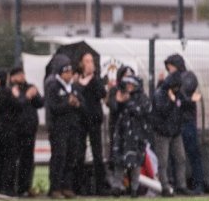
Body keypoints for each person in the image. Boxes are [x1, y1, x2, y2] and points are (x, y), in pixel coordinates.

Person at [0, 67, 43, 198]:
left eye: (23, 74)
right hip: (15, 130)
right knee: (10, 159)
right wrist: (26, 96)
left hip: (29, 129)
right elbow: (17, 104)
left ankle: (24, 187)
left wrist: (34, 94)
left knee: (28, 160)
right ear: (12, 77)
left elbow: (40, 103)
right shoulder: (9, 90)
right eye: (19, 75)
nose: (22, 77)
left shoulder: (29, 86)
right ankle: (6, 188)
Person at [162, 54, 204, 195]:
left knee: (193, 154)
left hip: (187, 122)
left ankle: (199, 184)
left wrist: (177, 96)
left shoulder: (189, 76)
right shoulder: (171, 79)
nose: (170, 70)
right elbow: (166, 94)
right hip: (175, 123)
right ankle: (178, 184)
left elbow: (180, 93)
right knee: (176, 156)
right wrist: (186, 99)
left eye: (171, 67)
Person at [107, 76, 151, 198]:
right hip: (122, 135)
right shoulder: (119, 94)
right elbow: (113, 108)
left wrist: (127, 102)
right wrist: (118, 101)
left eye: (132, 84)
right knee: (119, 162)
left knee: (136, 163)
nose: (129, 87)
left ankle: (134, 188)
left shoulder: (142, 98)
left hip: (137, 135)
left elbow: (142, 110)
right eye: (127, 84)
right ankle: (117, 187)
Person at [45, 56, 82, 199]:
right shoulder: (53, 85)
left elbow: (81, 105)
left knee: (70, 157)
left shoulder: (73, 87)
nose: (69, 74)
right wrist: (68, 103)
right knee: (59, 157)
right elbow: (53, 107)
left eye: (70, 71)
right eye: (66, 71)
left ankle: (66, 186)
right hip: (58, 128)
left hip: (72, 127)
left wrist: (77, 104)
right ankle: (54, 188)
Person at [151, 74, 194, 196]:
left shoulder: (178, 93)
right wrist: (171, 101)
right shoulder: (160, 94)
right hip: (162, 132)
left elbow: (183, 105)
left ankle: (181, 185)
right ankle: (164, 186)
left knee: (181, 158)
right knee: (163, 161)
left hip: (175, 132)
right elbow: (163, 111)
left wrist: (190, 101)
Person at [73, 52, 107, 195]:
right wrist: (78, 81)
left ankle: (100, 187)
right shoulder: (76, 80)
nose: (89, 64)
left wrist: (93, 77)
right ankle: (78, 187)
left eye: (91, 61)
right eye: (86, 61)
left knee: (97, 153)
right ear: (81, 63)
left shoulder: (96, 80)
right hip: (80, 120)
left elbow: (102, 93)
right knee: (79, 153)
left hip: (94, 119)